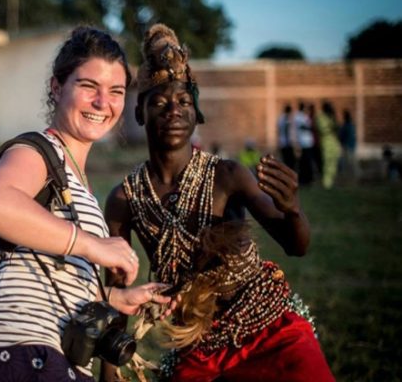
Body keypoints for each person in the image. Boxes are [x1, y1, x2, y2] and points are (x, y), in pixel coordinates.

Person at [104, 24, 334, 381]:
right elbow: (117, 295)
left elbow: (297, 245)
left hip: (269, 328)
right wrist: (108, 371)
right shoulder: (124, 198)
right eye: (159, 102)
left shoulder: (228, 175)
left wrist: (292, 210)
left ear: (197, 112)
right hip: (197, 344)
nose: (173, 111)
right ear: (139, 113)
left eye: (183, 101)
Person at [0, 27, 173, 381]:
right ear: (56, 87)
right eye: (88, 86)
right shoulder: (36, 153)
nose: (102, 103)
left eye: (115, 91)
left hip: (46, 353)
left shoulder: (74, 176)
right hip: (23, 346)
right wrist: (95, 246)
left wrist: (114, 297)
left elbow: (41, 266)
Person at [315, 101, 342, 189]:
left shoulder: (331, 117)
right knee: (327, 163)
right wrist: (331, 127)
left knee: (334, 162)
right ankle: (326, 183)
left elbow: (337, 127)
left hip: (334, 142)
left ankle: (331, 182)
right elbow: (322, 129)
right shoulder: (321, 117)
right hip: (326, 142)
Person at [294, 101, 315, 185]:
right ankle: (305, 179)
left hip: (306, 142)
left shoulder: (303, 116)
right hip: (304, 142)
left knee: (306, 161)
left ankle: (307, 179)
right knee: (304, 162)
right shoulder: (300, 116)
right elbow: (305, 126)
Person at [338, 109, 357, 182]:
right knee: (351, 163)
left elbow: (341, 136)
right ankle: (352, 177)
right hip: (352, 146)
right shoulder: (351, 125)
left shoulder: (345, 126)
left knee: (348, 163)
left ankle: (349, 178)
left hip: (347, 146)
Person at [276, 104, 297, 171]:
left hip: (284, 143)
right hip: (287, 143)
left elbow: (278, 130)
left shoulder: (281, 118)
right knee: (289, 162)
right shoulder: (288, 119)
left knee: (287, 161)